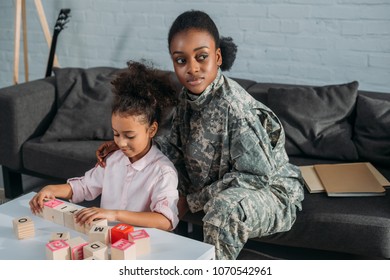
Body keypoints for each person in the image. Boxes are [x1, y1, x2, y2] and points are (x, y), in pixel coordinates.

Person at [97, 10, 304, 259]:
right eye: (181, 60)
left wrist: (192, 200)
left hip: (271, 192)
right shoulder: (187, 98)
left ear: (217, 57)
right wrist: (127, 144)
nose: (192, 69)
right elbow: (173, 147)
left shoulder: (236, 109)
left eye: (201, 57)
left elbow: (255, 177)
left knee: (222, 210)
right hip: (217, 183)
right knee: (154, 173)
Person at [29, 61, 179, 231]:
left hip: (139, 246)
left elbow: (165, 220)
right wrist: (50, 189)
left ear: (152, 130)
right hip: (104, 238)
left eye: (129, 135)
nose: (121, 143)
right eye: (116, 134)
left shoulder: (163, 172)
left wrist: (114, 214)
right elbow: (83, 186)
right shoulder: (113, 160)